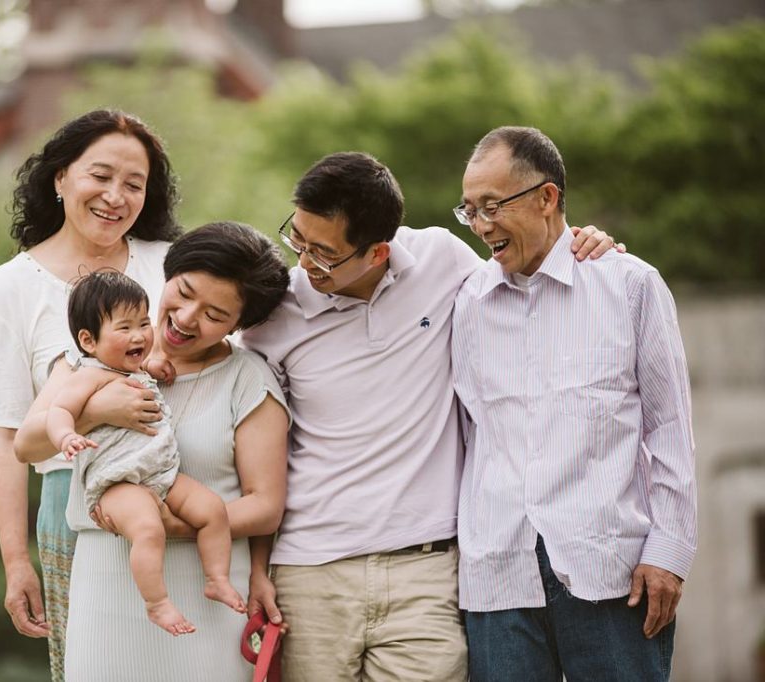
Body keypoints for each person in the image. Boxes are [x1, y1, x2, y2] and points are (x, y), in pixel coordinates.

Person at [240, 151, 619, 681]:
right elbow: (243, 433)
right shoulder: (273, 312)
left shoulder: (444, 261)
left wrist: (584, 243)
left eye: (323, 253)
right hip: (309, 571)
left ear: (376, 252)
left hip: (427, 570)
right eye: (297, 239)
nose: (304, 263)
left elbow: (526, 274)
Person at [450, 126, 696, 681]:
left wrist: (670, 551)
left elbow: (671, 429)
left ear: (547, 197)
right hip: (498, 571)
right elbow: (468, 436)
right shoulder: (466, 303)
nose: (482, 224)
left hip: (612, 568)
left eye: (493, 205)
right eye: (469, 211)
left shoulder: (631, 285)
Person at [15, 221, 291, 681]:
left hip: (206, 590)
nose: (186, 318)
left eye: (214, 315)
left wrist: (169, 526)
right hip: (104, 582)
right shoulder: (93, 358)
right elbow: (27, 445)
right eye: (183, 292)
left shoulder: (248, 380)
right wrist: (99, 408)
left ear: (239, 324)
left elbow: (266, 507)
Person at [0, 109, 182, 681]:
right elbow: (2, 432)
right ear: (60, 177)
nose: (116, 196)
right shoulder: (11, 288)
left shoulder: (171, 266)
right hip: (72, 508)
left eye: (134, 184)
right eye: (101, 176)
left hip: (180, 492)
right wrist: (16, 562)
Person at [30, 270, 245, 635]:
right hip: (117, 481)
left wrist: (155, 366)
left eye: (144, 323)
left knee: (212, 510)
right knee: (148, 528)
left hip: (161, 473)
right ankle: (157, 603)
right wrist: (66, 436)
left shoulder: (136, 368)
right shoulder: (87, 375)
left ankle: (216, 578)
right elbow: (59, 411)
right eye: (125, 327)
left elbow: (146, 365)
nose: (140, 335)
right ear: (88, 340)